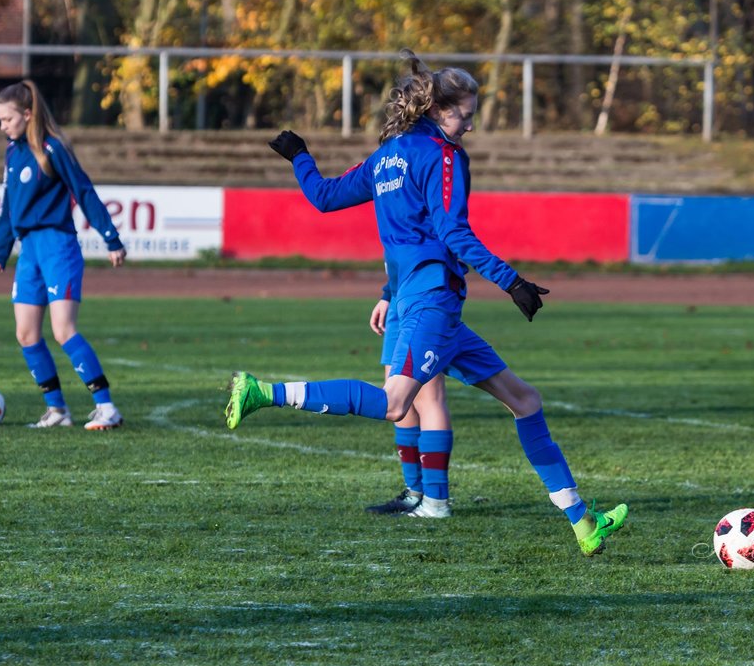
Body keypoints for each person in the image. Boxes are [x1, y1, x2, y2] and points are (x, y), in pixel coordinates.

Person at [226, 49, 628, 556]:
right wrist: (511, 281)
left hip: (420, 299)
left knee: (525, 400)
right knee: (398, 403)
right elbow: (450, 231)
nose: (469, 127)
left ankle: (584, 524)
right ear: (439, 109)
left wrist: (300, 156)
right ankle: (264, 392)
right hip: (432, 301)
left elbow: (327, 198)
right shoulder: (441, 156)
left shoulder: (387, 154)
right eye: (465, 116)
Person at [0, 80, 127, 430]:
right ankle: (57, 410)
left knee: (63, 330)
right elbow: (8, 206)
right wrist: (1, 248)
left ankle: (106, 406)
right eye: (0, 120)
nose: (2, 126)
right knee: (26, 334)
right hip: (29, 251)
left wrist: (110, 238)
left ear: (27, 114)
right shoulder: (12, 152)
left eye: (7, 119)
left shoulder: (52, 149)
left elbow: (84, 191)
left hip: (57, 247)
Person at [365, 266, 454, 518]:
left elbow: (443, 243)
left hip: (427, 299)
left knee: (429, 394)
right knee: (396, 397)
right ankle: (414, 493)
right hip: (400, 295)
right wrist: (387, 294)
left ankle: (436, 500)